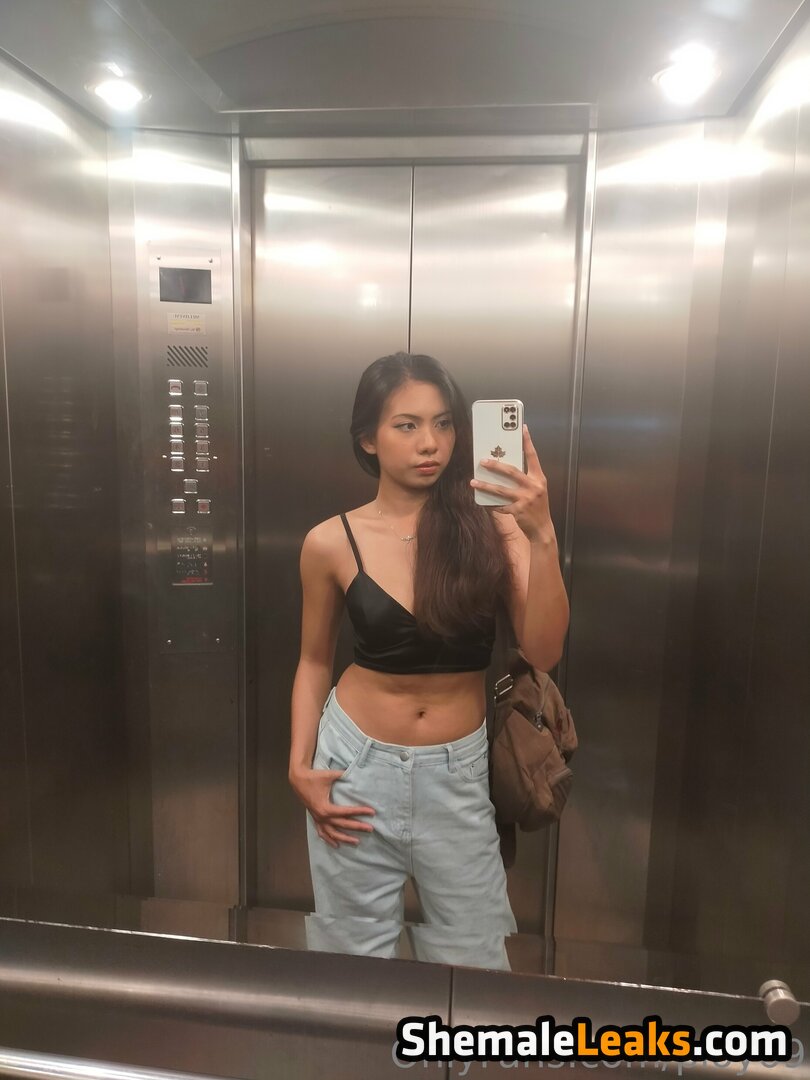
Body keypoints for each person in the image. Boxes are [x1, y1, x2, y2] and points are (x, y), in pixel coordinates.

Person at [288, 351, 570, 969]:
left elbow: (544, 650)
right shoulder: (330, 541)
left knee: (475, 963)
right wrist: (298, 765)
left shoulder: (494, 527)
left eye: (444, 424)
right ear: (368, 438)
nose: (430, 443)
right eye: (407, 425)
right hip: (354, 769)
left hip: (458, 773)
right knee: (352, 961)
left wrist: (542, 534)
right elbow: (313, 662)